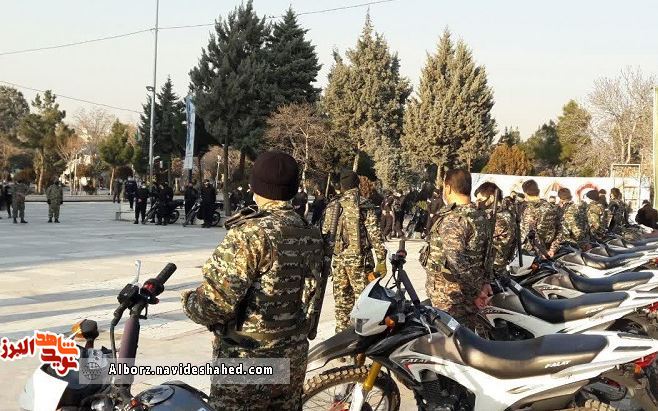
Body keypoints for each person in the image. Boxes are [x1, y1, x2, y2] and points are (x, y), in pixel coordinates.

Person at [181, 151, 324, 410]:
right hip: (292, 355)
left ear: (256, 187)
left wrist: (188, 301)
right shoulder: (310, 233)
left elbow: (214, 305)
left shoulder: (251, 233)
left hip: (249, 357)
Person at [422, 169, 490, 330]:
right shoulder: (479, 215)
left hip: (451, 296)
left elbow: (456, 261)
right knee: (468, 334)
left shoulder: (454, 219)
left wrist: (476, 291)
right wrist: (484, 283)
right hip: (471, 289)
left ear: (448, 188)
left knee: (452, 339)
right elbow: (487, 255)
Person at [325, 170, 387, 333]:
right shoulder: (364, 205)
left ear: (342, 186)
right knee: (364, 302)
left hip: (338, 261)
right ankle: (362, 339)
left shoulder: (333, 205)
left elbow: (325, 234)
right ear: (357, 184)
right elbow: (375, 234)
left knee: (342, 303)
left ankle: (341, 338)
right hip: (360, 262)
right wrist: (381, 259)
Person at [474, 182, 517, 276]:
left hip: (494, 269)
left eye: (480, 200)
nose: (478, 203)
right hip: (501, 266)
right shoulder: (507, 212)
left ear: (492, 198)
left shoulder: (497, 217)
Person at [519, 179, 559, 254]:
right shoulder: (551, 207)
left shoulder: (529, 209)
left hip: (533, 252)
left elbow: (531, 234)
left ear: (525, 193)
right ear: (539, 191)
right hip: (549, 249)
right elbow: (559, 229)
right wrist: (552, 249)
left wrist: (542, 253)